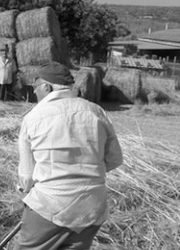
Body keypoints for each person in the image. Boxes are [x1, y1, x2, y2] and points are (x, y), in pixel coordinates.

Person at [15, 61, 124, 250]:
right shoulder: (96, 111)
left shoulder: (33, 117)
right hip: (92, 206)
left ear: (47, 87)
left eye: (35, 88)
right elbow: (115, 159)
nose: (34, 93)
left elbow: (26, 176)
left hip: (50, 205)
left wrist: (26, 191)